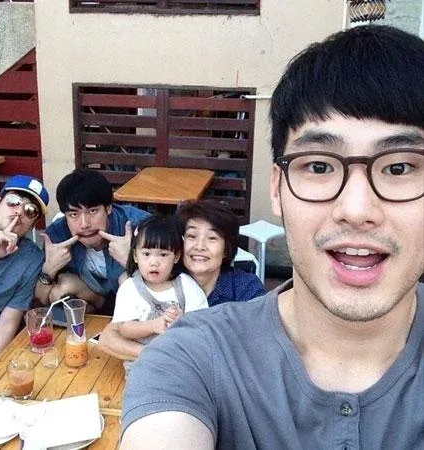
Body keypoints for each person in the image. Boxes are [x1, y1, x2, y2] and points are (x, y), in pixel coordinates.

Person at [120, 25, 424, 449]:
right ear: (278, 190)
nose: (357, 210)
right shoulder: (193, 356)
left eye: (399, 167)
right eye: (319, 166)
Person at [98, 199, 265, 359]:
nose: (200, 246)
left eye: (212, 238)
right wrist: (158, 355)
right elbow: (108, 338)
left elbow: (260, 343)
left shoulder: (245, 287)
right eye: (192, 236)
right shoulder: (160, 279)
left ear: (226, 249)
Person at [34, 169, 149, 315]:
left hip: (138, 310)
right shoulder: (57, 235)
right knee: (61, 290)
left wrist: (131, 262)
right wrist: (48, 270)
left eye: (92, 211)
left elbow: (168, 290)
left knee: (126, 280)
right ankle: (100, 307)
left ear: (108, 208)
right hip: (95, 300)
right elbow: (40, 303)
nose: (84, 224)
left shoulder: (141, 226)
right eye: (74, 214)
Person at [0, 175, 49, 377]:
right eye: (13, 201)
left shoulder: (31, 258)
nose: (19, 212)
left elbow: (7, 323)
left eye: (30, 211)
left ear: (32, 225)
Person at [112, 215, 208, 357]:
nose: (154, 262)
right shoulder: (129, 289)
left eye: (163, 255)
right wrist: (154, 325)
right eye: (146, 254)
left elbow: (201, 325)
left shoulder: (186, 285)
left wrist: (182, 321)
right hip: (141, 360)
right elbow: (124, 329)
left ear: (176, 257)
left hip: (180, 358)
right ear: (135, 256)